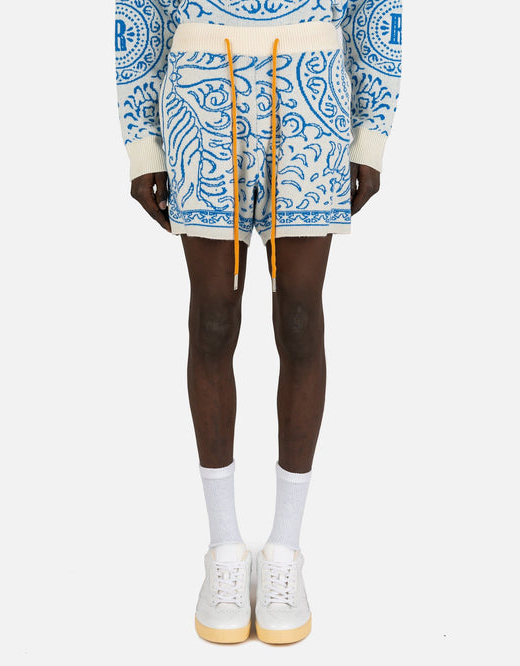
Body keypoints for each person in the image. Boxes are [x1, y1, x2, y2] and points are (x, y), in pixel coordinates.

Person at [115, 0, 402, 645]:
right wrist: (141, 143)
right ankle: (223, 549)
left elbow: (378, 11)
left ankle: (284, 552)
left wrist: (371, 134)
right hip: (199, 97)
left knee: (300, 319)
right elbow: (138, 14)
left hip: (312, 97)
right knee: (212, 321)